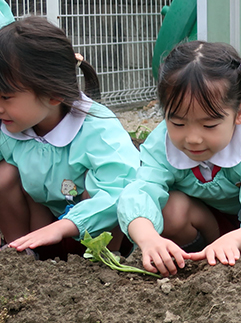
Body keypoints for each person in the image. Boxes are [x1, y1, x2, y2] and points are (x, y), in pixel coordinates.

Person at [117, 41, 241, 276]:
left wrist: (235, 240)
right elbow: (141, 191)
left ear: (240, 113)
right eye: (178, 123)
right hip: (209, 227)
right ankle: (195, 267)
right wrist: (148, 238)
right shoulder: (160, 143)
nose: (193, 138)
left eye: (209, 125)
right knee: (171, 209)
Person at [0, 16, 140, 259]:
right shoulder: (12, 123)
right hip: (47, 222)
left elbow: (121, 190)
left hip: (101, 230)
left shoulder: (97, 130)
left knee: (93, 188)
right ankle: (18, 256)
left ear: (53, 95)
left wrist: (62, 227)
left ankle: (106, 260)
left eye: (6, 97)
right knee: (5, 175)